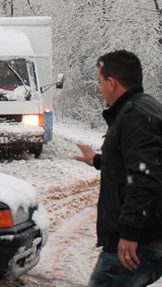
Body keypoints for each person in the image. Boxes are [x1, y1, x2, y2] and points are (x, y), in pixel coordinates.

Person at [74, 50, 162, 287]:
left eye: (100, 81)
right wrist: (98, 160)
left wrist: (130, 233)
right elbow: (137, 162)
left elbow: (145, 175)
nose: (99, 88)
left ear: (112, 83)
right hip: (148, 235)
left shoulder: (134, 116)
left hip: (137, 243)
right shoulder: (144, 107)